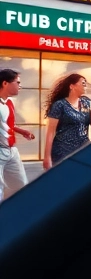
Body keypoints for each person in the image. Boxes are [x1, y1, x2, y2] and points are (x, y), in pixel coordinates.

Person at [44, 73, 91, 169]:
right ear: (72, 86)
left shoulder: (87, 103)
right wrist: (47, 157)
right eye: (83, 83)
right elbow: (50, 132)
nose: (86, 86)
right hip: (62, 151)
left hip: (83, 150)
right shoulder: (60, 105)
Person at [1, 68, 38, 200]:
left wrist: (22, 131)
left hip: (11, 151)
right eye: (17, 82)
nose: (20, 86)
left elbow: (8, 124)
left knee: (21, 186)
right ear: (5, 83)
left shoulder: (9, 102)